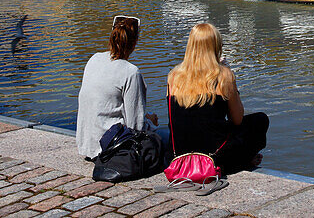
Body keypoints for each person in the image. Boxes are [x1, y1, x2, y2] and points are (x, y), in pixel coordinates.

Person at [167, 23, 268, 175]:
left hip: (179, 156)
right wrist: (230, 79)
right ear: (216, 46)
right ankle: (242, 160)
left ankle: (242, 159)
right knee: (260, 120)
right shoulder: (223, 75)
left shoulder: (173, 76)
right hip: (215, 158)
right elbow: (237, 119)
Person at [76, 15, 159, 160]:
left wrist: (147, 116)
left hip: (87, 145)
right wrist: (151, 124)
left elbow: (108, 106)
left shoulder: (94, 59)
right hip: (110, 149)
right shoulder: (131, 72)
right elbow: (135, 126)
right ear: (135, 43)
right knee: (163, 135)